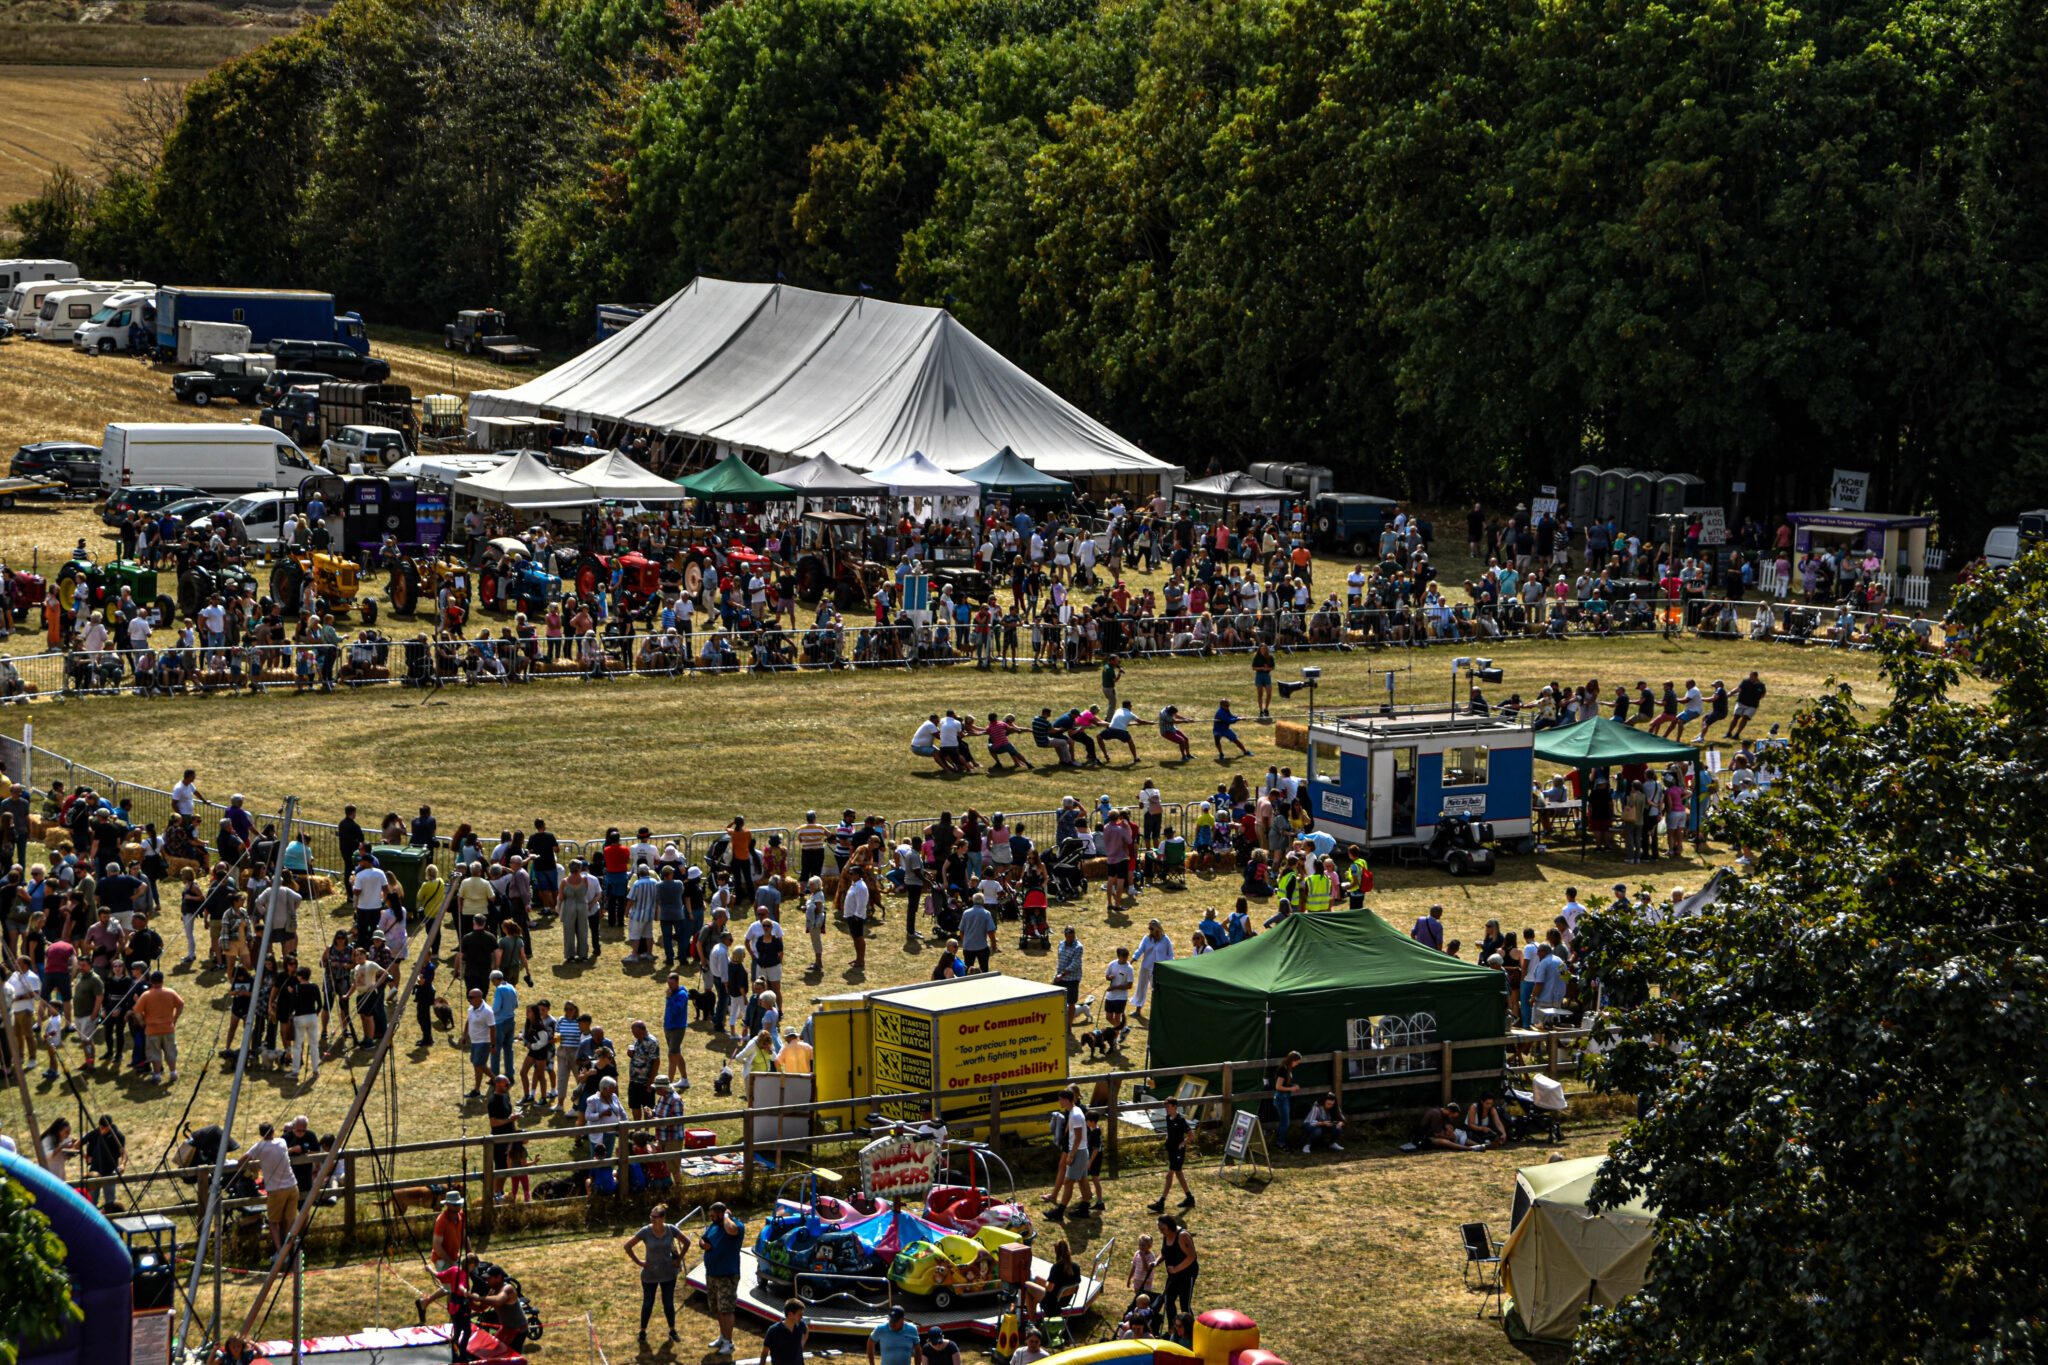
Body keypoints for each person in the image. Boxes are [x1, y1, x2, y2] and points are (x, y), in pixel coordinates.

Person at [626, 1202, 688, 1343]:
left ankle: (672, 1330)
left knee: (668, 1303)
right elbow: (627, 1246)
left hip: (668, 1274)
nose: (652, 1219)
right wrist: (640, 1262)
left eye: (656, 1216)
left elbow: (687, 1243)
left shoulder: (671, 1229)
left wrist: (678, 1260)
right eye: (651, 1216)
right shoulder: (645, 1231)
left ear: (663, 1217)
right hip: (650, 1275)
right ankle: (643, 1331)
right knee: (648, 1303)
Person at [234, 1121, 300, 1251]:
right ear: (273, 1131)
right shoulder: (282, 1142)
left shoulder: (259, 1147)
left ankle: (280, 1250)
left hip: (276, 1190)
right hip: (292, 1185)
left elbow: (241, 1160)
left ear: (261, 1134)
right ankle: (289, 1247)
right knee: (290, 1219)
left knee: (272, 1222)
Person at [701, 1201, 745, 1356]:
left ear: (722, 1214)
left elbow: (731, 1229)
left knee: (726, 1309)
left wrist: (726, 1216)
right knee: (718, 1308)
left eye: (714, 1215)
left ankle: (729, 1342)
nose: (711, 1218)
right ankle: (723, 1336)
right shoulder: (713, 1226)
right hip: (712, 1274)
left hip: (727, 1275)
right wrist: (703, 1244)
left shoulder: (737, 1226)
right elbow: (703, 1238)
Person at [1147, 1093, 1195, 1211]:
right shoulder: (1168, 1118)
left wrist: (1182, 1144)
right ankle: (1189, 1198)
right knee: (1179, 1174)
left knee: (1170, 1175)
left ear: (1174, 1106)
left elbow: (1191, 1135)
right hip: (1171, 1150)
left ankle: (1161, 1202)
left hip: (1178, 1152)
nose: (1166, 1109)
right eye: (1165, 1107)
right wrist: (1167, 1138)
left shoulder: (1181, 1120)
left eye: (1168, 1107)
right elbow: (1169, 1130)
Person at [1157, 1217, 1198, 1325]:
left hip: (1187, 1273)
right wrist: (1156, 1262)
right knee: (1168, 1300)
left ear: (1170, 1227)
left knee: (1184, 1304)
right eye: (1159, 1229)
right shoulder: (1166, 1235)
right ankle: (1173, 1329)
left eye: (1163, 1229)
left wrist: (1176, 1269)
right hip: (1173, 1274)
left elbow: (1191, 1256)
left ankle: (1190, 1332)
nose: (1161, 1231)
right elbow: (1164, 1252)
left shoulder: (1182, 1236)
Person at [762, 1299, 809, 1365]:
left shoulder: (801, 1325)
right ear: (790, 1314)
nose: (802, 1317)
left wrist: (801, 1346)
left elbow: (806, 1331)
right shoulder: (774, 1330)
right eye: (799, 1315)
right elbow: (764, 1353)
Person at [431, 1191, 466, 1273]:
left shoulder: (462, 1215)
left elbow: (464, 1237)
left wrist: (471, 1254)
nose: (458, 1206)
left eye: (459, 1204)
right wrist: (451, 1262)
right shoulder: (441, 1220)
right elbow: (437, 1246)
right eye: (455, 1204)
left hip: (455, 1258)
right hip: (442, 1260)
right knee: (451, 1285)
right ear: (447, 1205)